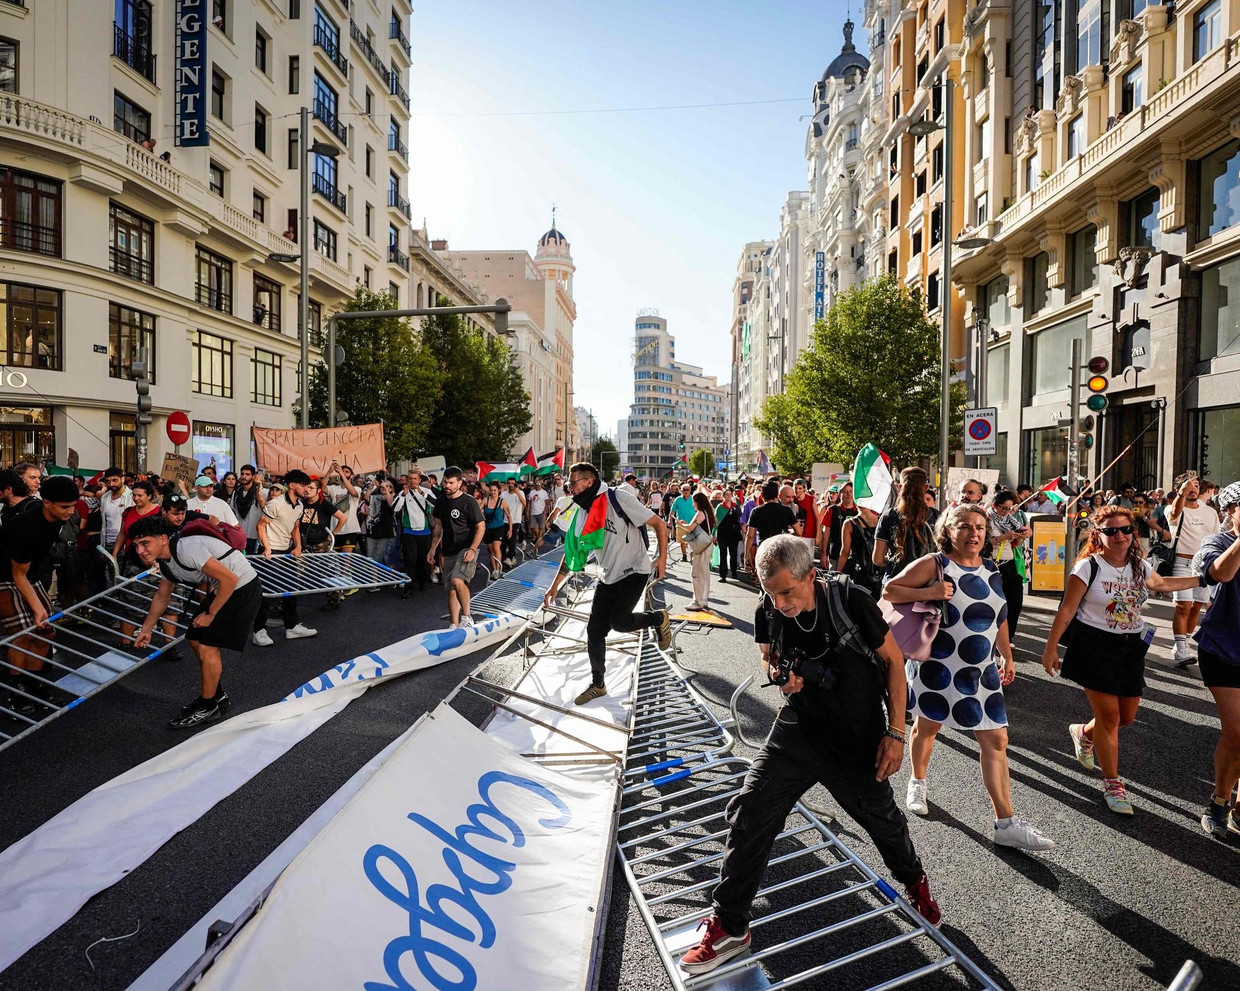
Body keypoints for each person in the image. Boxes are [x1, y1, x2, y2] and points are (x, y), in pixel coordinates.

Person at [677, 535, 939, 976]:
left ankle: (914, 881)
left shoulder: (849, 599)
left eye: (787, 592)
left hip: (857, 736)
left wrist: (896, 733)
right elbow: (767, 658)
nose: (778, 602)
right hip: (798, 729)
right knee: (751, 811)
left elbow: (895, 664)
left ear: (811, 576)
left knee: (883, 822)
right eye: (769, 592)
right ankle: (731, 924)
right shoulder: (768, 608)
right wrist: (781, 675)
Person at [884, 504, 1054, 850]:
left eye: (979, 527)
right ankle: (917, 781)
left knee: (996, 741)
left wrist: (1006, 655)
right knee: (928, 727)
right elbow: (890, 591)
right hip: (939, 666)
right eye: (964, 526)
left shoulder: (992, 569)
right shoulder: (935, 564)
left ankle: (1005, 823)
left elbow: (1000, 617)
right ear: (948, 531)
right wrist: (929, 592)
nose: (973, 533)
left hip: (980, 670)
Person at [1041, 506, 1203, 813]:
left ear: (1134, 533)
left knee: (1126, 717)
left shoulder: (1139, 565)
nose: (1120, 536)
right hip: (1094, 646)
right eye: (1111, 531)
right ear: (1098, 535)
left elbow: (1162, 584)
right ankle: (1113, 785)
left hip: (1130, 647)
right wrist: (1051, 648)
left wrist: (1203, 578)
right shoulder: (1087, 568)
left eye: (1126, 530)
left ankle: (1084, 733)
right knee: (1110, 718)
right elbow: (1066, 610)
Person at [541, 462, 672, 705]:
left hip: (634, 570)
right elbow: (572, 555)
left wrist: (661, 558)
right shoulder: (581, 511)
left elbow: (659, 524)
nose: (570, 487)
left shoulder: (618, 498)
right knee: (594, 631)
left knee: (619, 623)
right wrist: (554, 586)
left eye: (573, 482)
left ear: (589, 482)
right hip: (607, 574)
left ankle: (658, 619)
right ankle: (598, 684)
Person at [129, 516, 263, 730]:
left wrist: (210, 614)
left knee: (207, 646)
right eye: (136, 545)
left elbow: (230, 579)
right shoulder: (166, 563)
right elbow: (162, 596)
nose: (140, 550)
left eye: (145, 543)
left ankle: (208, 705)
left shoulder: (185, 548)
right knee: (194, 638)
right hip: (223, 588)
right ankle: (216, 695)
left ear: (163, 538)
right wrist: (146, 629)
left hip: (241, 588)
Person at [0, 477, 81, 712]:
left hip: (31, 574)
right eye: (64, 507)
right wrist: (37, 608)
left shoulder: (57, 518)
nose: (71, 511)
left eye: (73, 505)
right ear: (47, 503)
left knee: (45, 632)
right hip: (5, 576)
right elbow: (18, 575)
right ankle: (18, 694)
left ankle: (34, 684)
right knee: (22, 634)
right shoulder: (26, 528)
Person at [1196, 481, 1240, 837]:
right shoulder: (1217, 543)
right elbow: (1221, 574)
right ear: (1231, 512)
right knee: (1238, 734)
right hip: (1222, 650)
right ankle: (1220, 802)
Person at [253, 469, 316, 645]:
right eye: (303, 485)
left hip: (286, 551)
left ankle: (292, 626)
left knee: (290, 589)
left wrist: (298, 547)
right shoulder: (275, 504)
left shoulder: (300, 506)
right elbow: (260, 526)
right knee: (266, 593)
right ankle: (259, 631)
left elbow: (295, 528)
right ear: (292, 485)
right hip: (270, 551)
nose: (306, 488)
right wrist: (267, 548)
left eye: (307, 485)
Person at [1166, 472, 1220, 668]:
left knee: (1197, 606)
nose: (1193, 489)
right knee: (1183, 605)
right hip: (1181, 562)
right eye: (1189, 486)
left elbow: (1215, 538)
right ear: (1179, 490)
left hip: (1203, 564)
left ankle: (1184, 642)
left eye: (1196, 486)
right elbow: (1174, 513)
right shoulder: (1173, 508)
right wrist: (1181, 493)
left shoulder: (1210, 512)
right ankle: (1180, 649)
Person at [427, 466, 485, 628]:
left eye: (451, 483)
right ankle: (454, 624)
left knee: (457, 580)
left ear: (459, 483)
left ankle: (467, 617)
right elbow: (438, 528)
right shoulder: (441, 501)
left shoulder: (469, 501)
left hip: (466, 547)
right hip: (448, 549)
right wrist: (433, 549)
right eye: (445, 482)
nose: (447, 486)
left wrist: (473, 549)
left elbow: (481, 526)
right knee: (451, 588)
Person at [873, 467, 939, 582]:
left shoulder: (888, 516)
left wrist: (893, 559)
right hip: (928, 582)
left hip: (896, 581)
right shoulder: (937, 516)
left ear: (900, 487)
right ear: (926, 488)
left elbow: (877, 559)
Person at [299, 478, 349, 611]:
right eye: (306, 488)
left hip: (321, 542)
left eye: (311, 488)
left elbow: (342, 518)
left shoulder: (324, 504)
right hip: (304, 543)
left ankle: (334, 599)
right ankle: (287, 601)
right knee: (296, 570)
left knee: (326, 572)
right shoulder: (302, 503)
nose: (308, 490)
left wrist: (333, 533)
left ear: (318, 490)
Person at [987, 490, 1032, 637]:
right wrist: (1004, 537)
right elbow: (985, 544)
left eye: (1010, 508)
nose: (1006, 512)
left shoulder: (1011, 520)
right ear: (994, 505)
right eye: (1003, 508)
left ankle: (1008, 636)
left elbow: (1017, 543)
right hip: (992, 562)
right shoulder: (987, 518)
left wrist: (1020, 536)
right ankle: (994, 635)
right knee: (995, 602)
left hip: (1010, 562)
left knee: (1015, 601)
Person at [393, 469, 435, 597]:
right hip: (409, 531)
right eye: (410, 479)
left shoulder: (426, 491)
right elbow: (395, 508)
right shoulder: (403, 493)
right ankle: (408, 588)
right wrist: (403, 495)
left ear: (419, 480)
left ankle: (422, 581)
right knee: (410, 560)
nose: (412, 481)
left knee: (422, 559)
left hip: (424, 531)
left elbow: (435, 504)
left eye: (414, 479)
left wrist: (421, 492)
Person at [745, 480, 798, 566]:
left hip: (764, 547)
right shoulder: (787, 510)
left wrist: (746, 556)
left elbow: (750, 536)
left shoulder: (756, 511)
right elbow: (799, 531)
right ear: (777, 496)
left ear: (762, 496)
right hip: (782, 548)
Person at [836, 500, 881, 598]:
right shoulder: (881, 520)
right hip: (880, 571)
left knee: (859, 604)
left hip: (859, 572)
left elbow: (845, 552)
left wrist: (838, 573)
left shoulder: (849, 524)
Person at [682, 490, 716, 610]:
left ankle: (698, 601)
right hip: (707, 544)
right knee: (705, 573)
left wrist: (679, 523)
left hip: (701, 547)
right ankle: (704, 600)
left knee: (696, 573)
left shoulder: (701, 513)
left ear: (698, 503)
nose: (693, 505)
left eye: (694, 502)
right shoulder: (708, 512)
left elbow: (691, 527)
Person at [230, 464, 267, 554]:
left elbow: (265, 508)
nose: (244, 477)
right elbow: (232, 512)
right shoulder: (236, 492)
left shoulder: (263, 492)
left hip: (256, 536)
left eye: (247, 474)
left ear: (253, 476)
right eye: (242, 474)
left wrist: (259, 488)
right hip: (240, 535)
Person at [819, 482, 859, 567]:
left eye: (851, 491)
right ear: (840, 494)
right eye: (845, 492)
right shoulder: (832, 510)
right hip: (836, 554)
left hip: (856, 557)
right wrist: (823, 554)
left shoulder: (859, 511)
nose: (848, 494)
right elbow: (826, 533)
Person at [481, 480, 511, 579]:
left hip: (499, 527)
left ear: (498, 491)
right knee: (490, 550)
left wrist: (510, 529)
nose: (493, 492)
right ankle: (494, 569)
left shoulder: (502, 502)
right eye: (491, 490)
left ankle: (498, 569)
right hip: (488, 528)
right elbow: (478, 511)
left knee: (496, 547)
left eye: (495, 490)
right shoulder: (485, 500)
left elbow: (509, 515)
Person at [714, 488, 742, 583]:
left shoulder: (736, 506)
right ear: (723, 496)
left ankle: (734, 571)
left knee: (733, 553)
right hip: (723, 533)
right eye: (726, 494)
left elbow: (740, 519)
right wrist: (714, 534)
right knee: (723, 554)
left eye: (730, 494)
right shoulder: (720, 507)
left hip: (733, 533)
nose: (728, 496)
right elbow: (716, 521)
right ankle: (723, 575)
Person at [499, 477, 527, 567]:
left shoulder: (520, 492)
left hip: (516, 520)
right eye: (509, 483)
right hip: (505, 520)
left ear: (515, 484)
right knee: (503, 541)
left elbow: (524, 503)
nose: (511, 485)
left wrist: (517, 492)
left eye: (513, 483)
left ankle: (511, 557)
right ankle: (503, 558)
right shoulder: (503, 494)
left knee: (512, 540)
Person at [670, 483, 697, 562]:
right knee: (682, 541)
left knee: (692, 540)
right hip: (681, 523)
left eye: (687, 490)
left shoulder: (693, 499)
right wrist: (670, 520)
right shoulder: (678, 499)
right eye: (684, 490)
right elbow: (672, 511)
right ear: (681, 490)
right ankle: (684, 556)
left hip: (692, 523)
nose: (686, 491)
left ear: (690, 490)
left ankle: (692, 555)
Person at [527, 478, 549, 551]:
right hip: (533, 512)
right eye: (536, 484)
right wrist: (527, 511)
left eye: (539, 484)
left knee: (541, 528)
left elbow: (547, 502)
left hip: (541, 512)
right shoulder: (532, 492)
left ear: (541, 484)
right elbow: (529, 503)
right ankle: (537, 538)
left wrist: (545, 510)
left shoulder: (544, 492)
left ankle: (538, 541)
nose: (538, 485)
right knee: (532, 527)